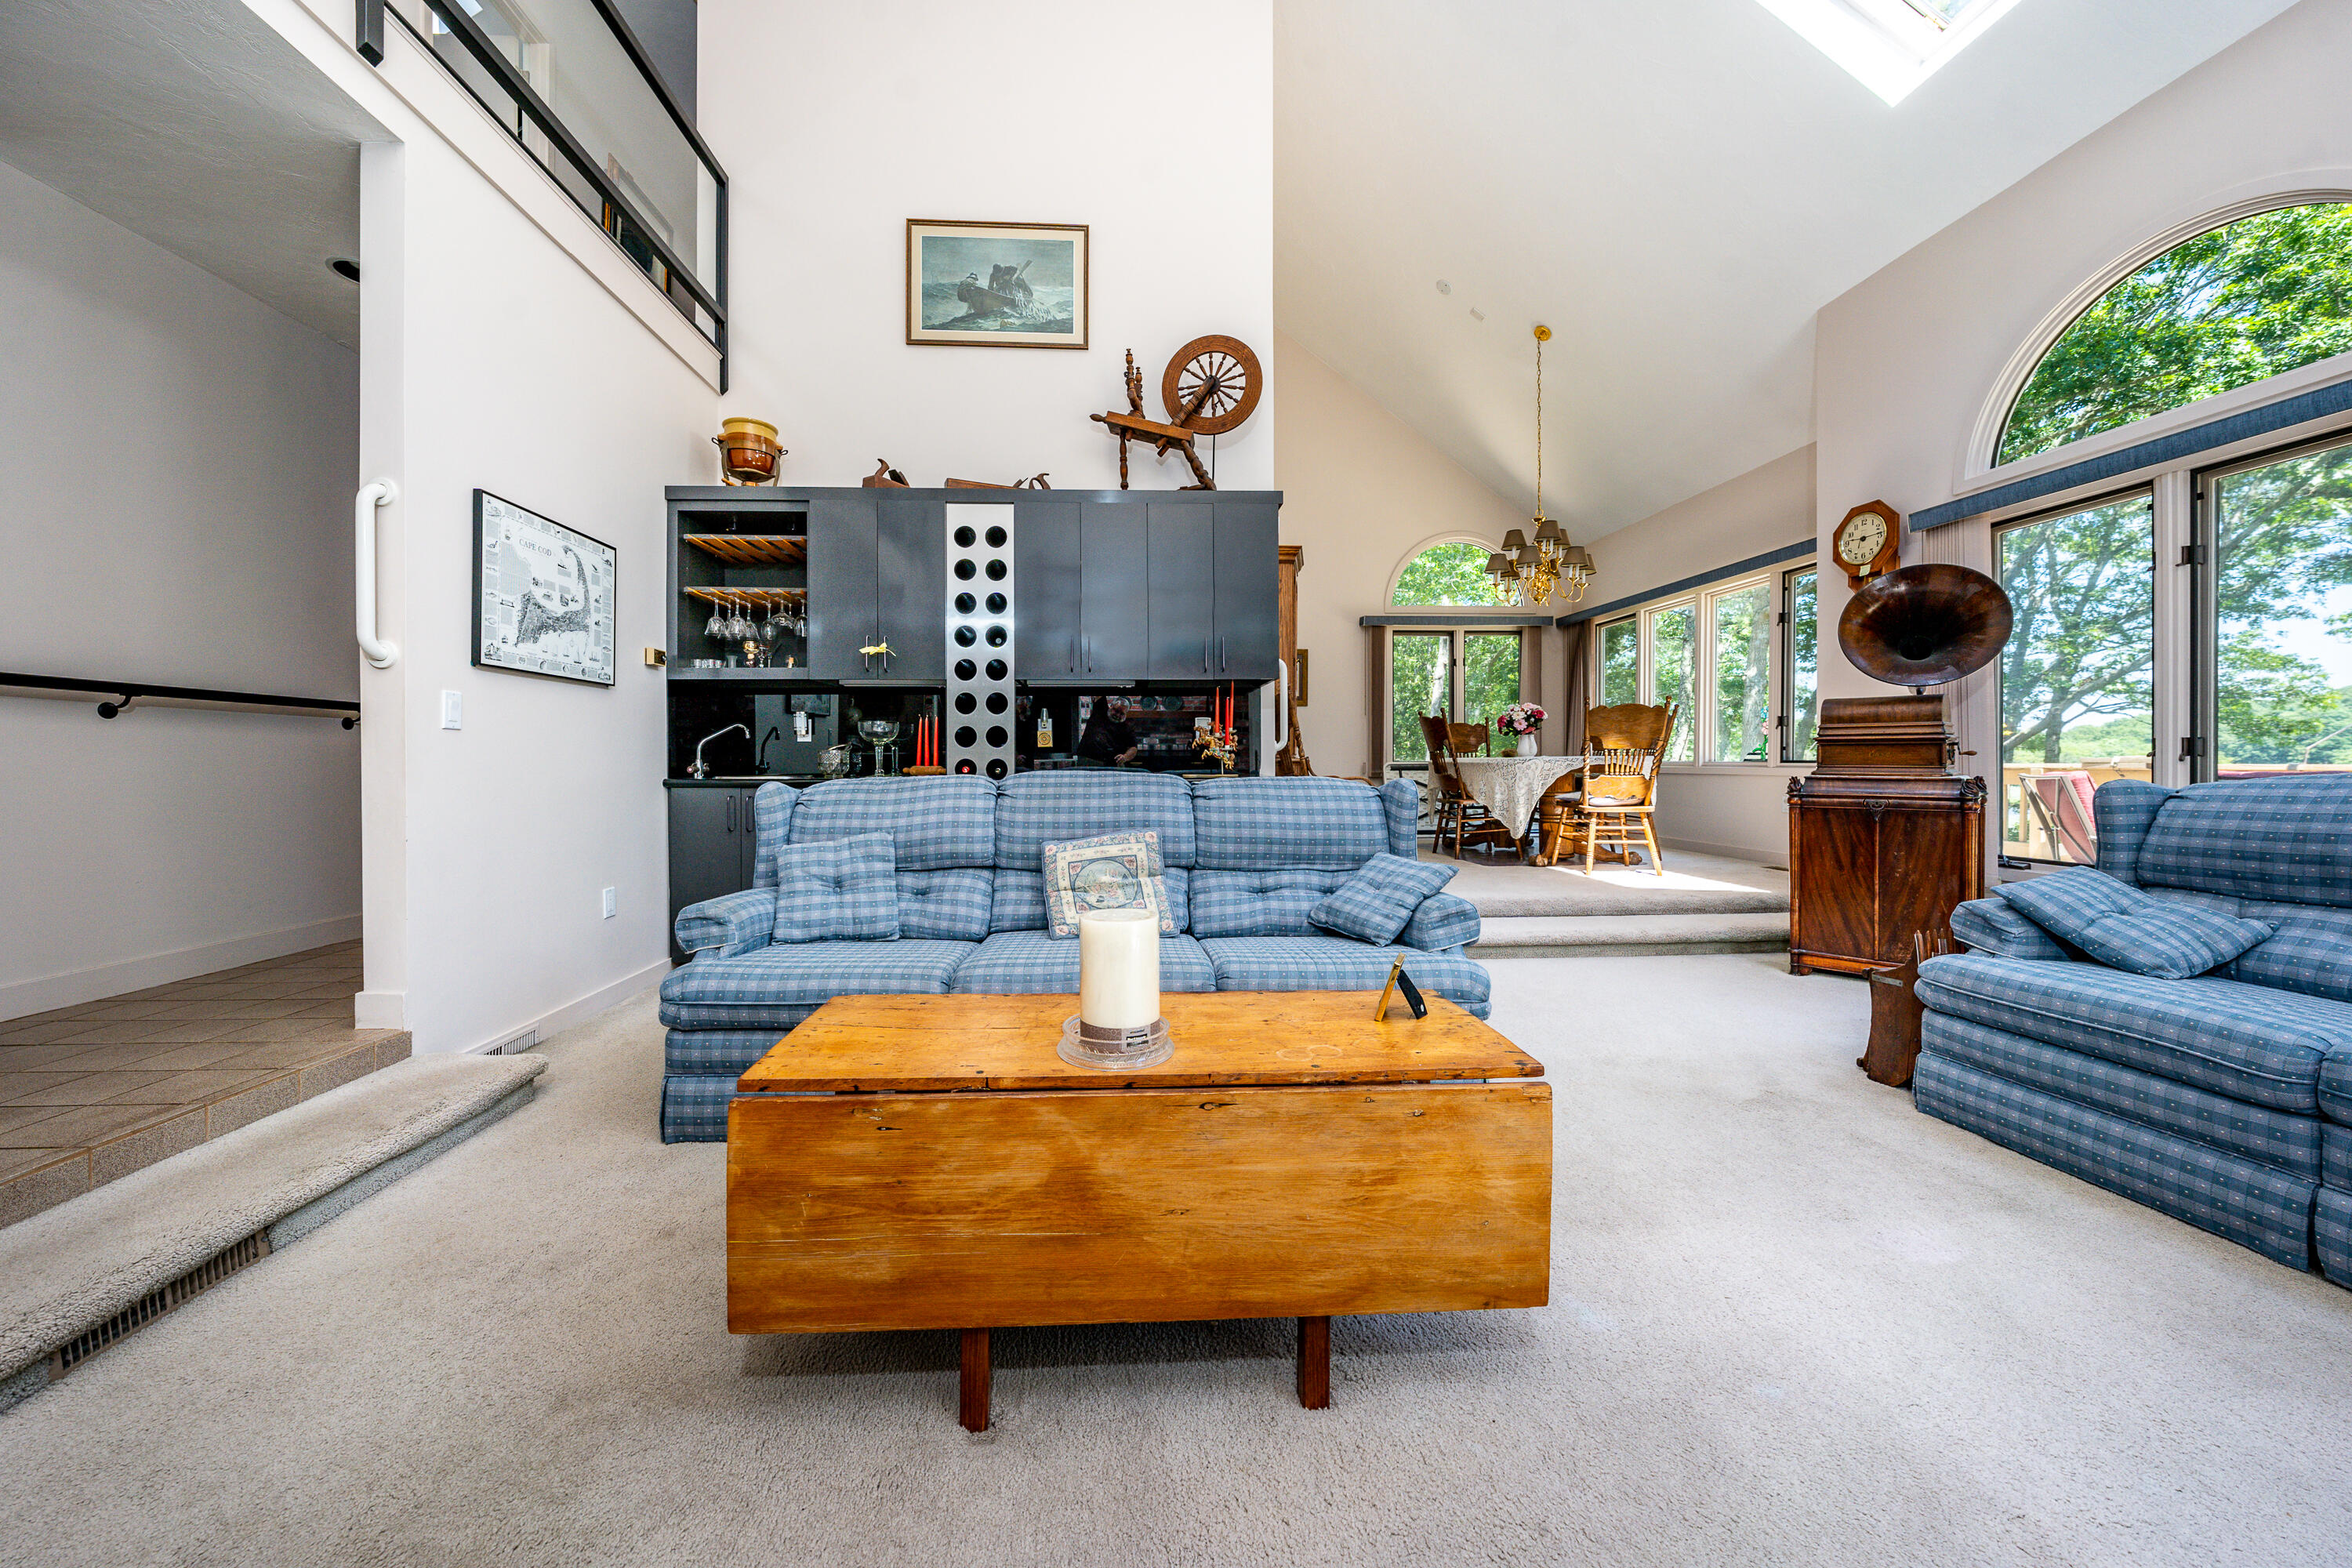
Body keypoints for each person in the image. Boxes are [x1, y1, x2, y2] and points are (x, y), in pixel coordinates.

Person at [1076, 695, 1140, 766]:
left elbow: (1133, 748)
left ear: (1126, 714)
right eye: (1116, 711)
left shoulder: (1127, 727)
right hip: (1088, 759)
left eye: (1122, 714)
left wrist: (1125, 757)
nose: (1118, 715)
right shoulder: (1100, 710)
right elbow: (1099, 688)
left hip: (1112, 763)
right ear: (1111, 706)